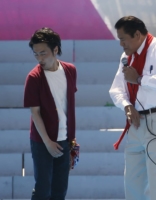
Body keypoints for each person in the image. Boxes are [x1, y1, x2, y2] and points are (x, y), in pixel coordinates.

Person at [109, 16, 156, 200]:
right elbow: (116, 89)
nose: (121, 44)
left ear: (138, 34)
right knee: (133, 181)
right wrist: (126, 105)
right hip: (136, 121)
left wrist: (140, 79)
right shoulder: (126, 58)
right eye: (119, 39)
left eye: (123, 39)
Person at [24, 27, 77, 200]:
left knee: (60, 189)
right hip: (42, 140)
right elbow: (35, 113)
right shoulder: (33, 77)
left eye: (43, 53)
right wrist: (47, 142)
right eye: (36, 54)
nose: (39, 58)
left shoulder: (70, 70)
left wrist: (71, 140)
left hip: (64, 139)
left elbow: (66, 105)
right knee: (42, 189)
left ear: (55, 50)